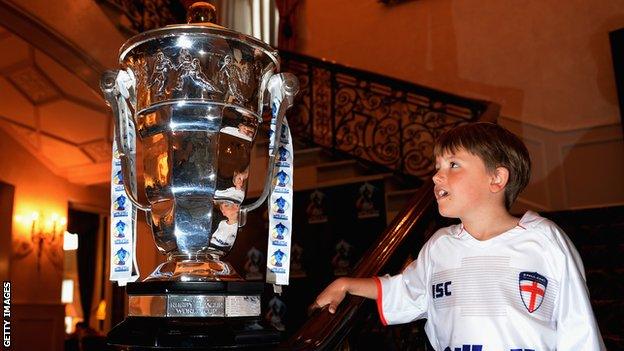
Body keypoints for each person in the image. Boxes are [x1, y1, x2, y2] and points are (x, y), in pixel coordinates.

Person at [313, 122, 605, 350]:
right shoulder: (440, 246)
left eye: (453, 165)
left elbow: (577, 327)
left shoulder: (544, 240)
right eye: (437, 167)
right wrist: (348, 284)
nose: (437, 176)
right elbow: (407, 291)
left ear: (496, 178)